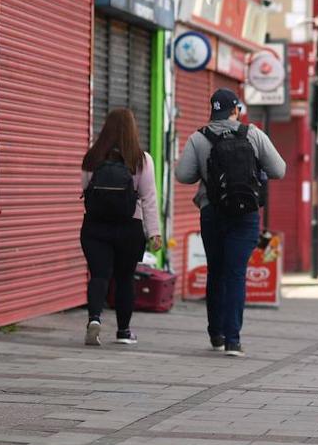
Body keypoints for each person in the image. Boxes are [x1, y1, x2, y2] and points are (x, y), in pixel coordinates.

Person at [175, 88, 286, 357]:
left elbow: (183, 175)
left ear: (212, 110)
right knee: (236, 273)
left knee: (216, 271)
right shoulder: (253, 134)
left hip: (213, 212)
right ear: (236, 110)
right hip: (245, 214)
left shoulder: (198, 138)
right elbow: (279, 170)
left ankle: (216, 334)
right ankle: (233, 341)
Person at [80, 108, 163, 347]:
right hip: (130, 227)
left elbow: (85, 190)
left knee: (99, 275)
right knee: (125, 279)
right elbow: (149, 198)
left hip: (95, 226)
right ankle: (124, 331)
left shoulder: (92, 158)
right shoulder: (141, 159)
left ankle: (94, 319)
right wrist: (154, 232)